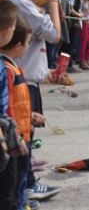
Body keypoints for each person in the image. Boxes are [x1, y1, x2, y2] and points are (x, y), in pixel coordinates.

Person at [1, 20, 49, 210]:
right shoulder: (7, 70)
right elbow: (6, 108)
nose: (29, 46)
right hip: (14, 138)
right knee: (11, 183)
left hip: (22, 134)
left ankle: (22, 202)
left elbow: (17, 104)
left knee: (20, 177)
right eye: (28, 42)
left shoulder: (14, 67)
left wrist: (30, 116)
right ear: (18, 45)